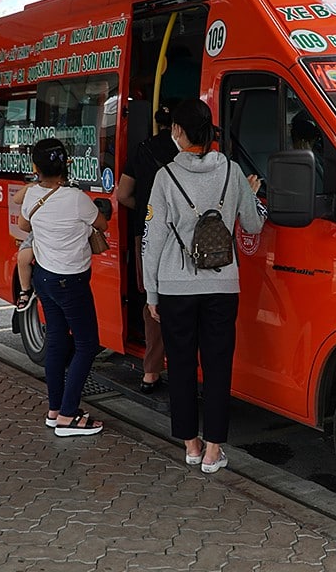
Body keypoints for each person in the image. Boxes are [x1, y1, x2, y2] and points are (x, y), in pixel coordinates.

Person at [142, 99, 263, 473]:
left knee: (179, 365)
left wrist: (151, 292)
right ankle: (214, 450)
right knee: (217, 365)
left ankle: (191, 446)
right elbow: (254, 225)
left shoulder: (165, 177)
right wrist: (253, 194)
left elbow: (154, 238)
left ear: (178, 132)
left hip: (175, 287)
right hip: (222, 286)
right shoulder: (232, 172)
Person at [17, 138, 108, 437]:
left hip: (44, 277)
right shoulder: (77, 198)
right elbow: (102, 224)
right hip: (71, 281)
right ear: (66, 165)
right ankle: (69, 415)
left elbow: (24, 226)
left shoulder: (31, 196)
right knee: (87, 344)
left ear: (35, 168)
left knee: (56, 340)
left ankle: (55, 411)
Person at [115, 101, 178, 393]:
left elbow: (123, 194)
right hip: (184, 238)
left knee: (152, 307)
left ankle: (151, 372)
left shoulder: (142, 149)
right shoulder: (194, 154)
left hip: (147, 234)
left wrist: (146, 210)